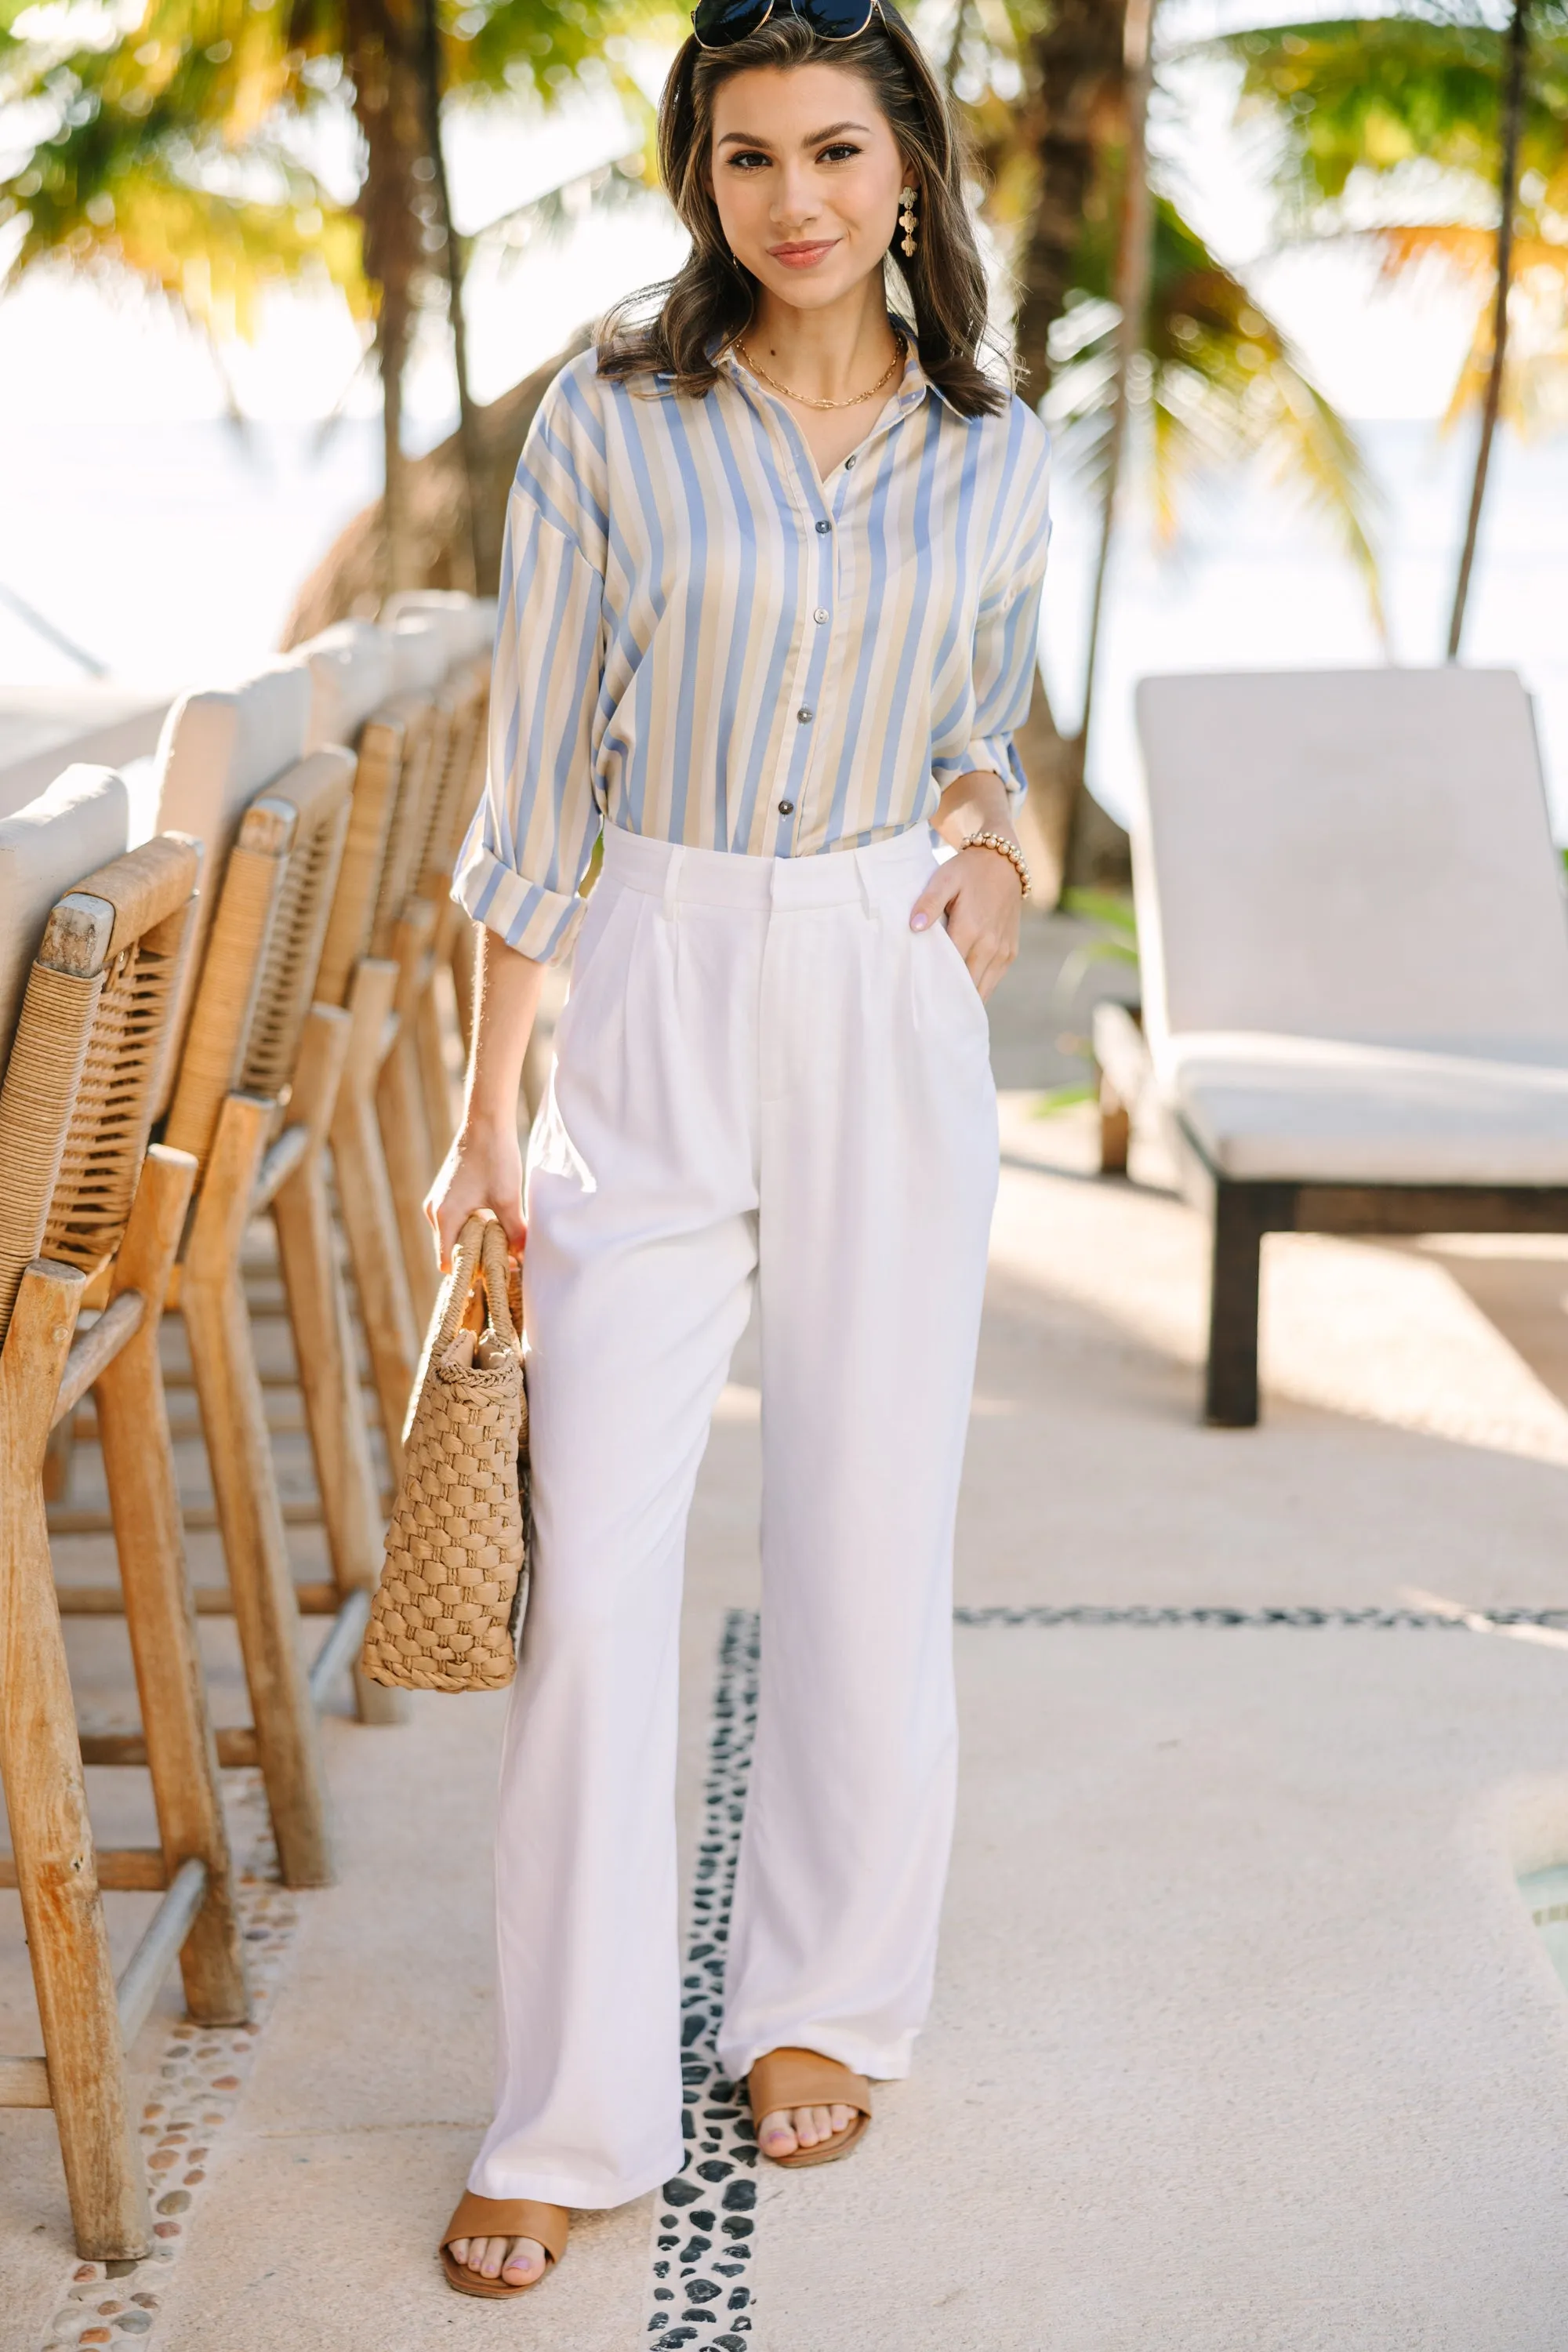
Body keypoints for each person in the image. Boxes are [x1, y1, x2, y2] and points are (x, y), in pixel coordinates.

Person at [428, 0, 1051, 2298]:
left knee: (870, 1521)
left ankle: (822, 1998)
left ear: (911, 172)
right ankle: (567, 2111)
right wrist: (487, 1113)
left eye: (835, 151)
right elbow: (534, 793)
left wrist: (989, 833)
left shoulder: (1000, 444)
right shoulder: (610, 418)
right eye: (747, 155)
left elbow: (985, 714)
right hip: (658, 971)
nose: (793, 198)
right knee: (595, 1562)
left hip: (885, 972)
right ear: (696, 175)